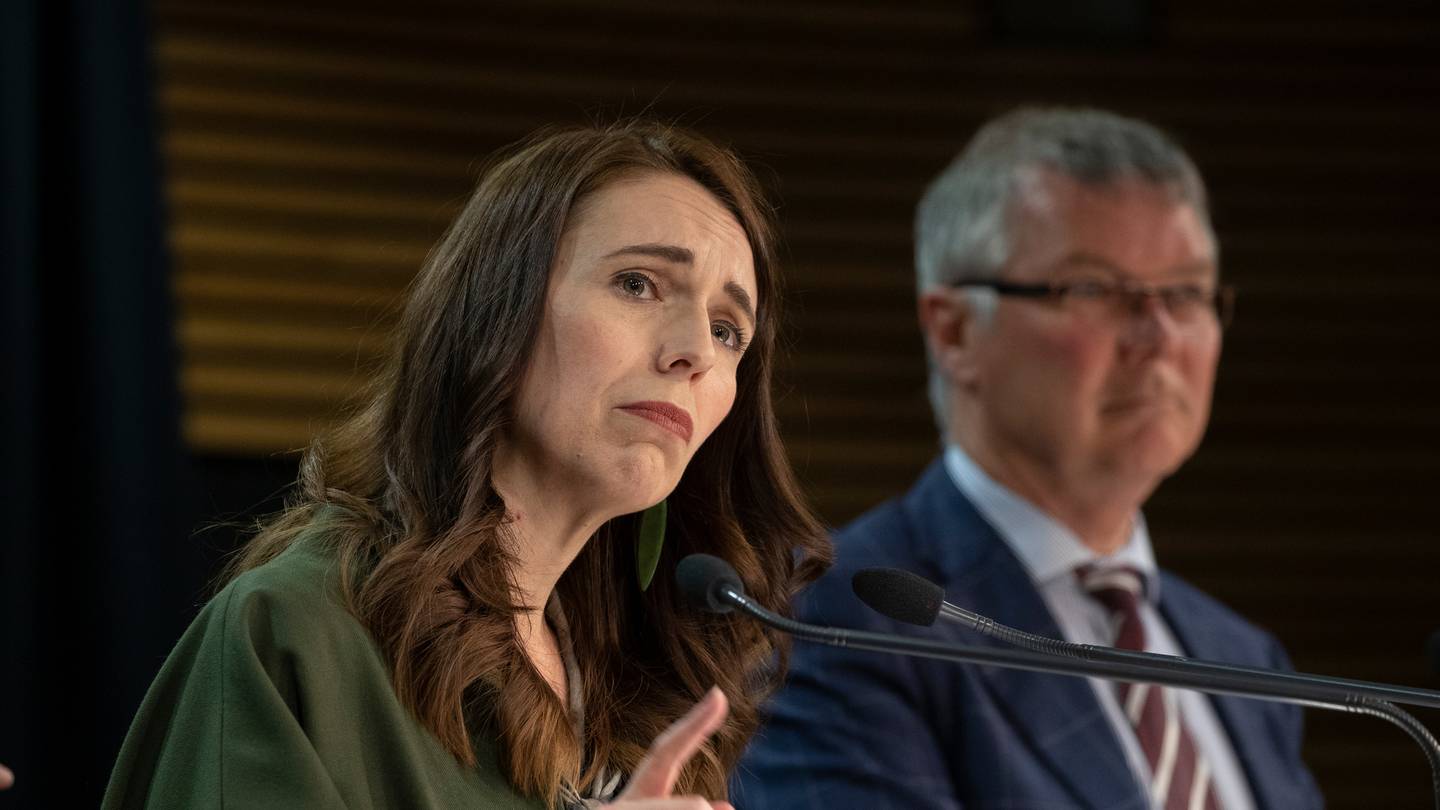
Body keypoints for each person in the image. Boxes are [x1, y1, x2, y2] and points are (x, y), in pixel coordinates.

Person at [103, 120, 829, 810]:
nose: (696, 353)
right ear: (495, 309)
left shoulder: (646, 695)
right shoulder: (298, 632)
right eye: (637, 283)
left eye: (729, 330)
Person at [734, 108, 1322, 809]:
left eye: (1187, 292)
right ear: (954, 332)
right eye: (1094, 288)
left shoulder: (1242, 658)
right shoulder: (837, 627)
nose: (1160, 336)